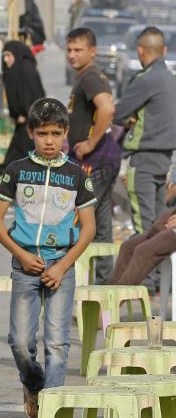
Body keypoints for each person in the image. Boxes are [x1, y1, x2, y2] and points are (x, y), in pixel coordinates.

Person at [0, 98, 97, 418]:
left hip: (61, 266)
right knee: (20, 342)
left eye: (56, 133)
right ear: (31, 132)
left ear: (65, 133)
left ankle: (53, 414)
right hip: (25, 266)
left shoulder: (78, 176)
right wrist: (21, 255)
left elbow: (89, 228)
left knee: (58, 343)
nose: (49, 141)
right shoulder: (16, 172)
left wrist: (63, 266)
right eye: (42, 133)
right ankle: (33, 383)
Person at [114, 27, 176, 254]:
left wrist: (131, 119)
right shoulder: (170, 78)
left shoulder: (145, 79)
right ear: (164, 50)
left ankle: (145, 286)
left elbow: (118, 114)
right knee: (159, 225)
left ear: (140, 51)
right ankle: (158, 282)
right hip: (165, 160)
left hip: (144, 160)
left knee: (143, 227)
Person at [66, 27, 120, 281]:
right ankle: (102, 284)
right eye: (69, 50)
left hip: (96, 159)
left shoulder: (89, 77)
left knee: (82, 220)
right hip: (102, 159)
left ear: (93, 51)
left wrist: (89, 143)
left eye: (78, 50)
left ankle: (85, 284)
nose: (72, 55)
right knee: (100, 224)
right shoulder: (88, 76)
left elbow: (107, 110)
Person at [0, 41, 46, 166]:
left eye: (8, 55)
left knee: (22, 160)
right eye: (4, 56)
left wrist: (26, 115)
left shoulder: (26, 70)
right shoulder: (13, 71)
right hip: (23, 124)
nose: (5, 59)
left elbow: (35, 98)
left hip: (32, 122)